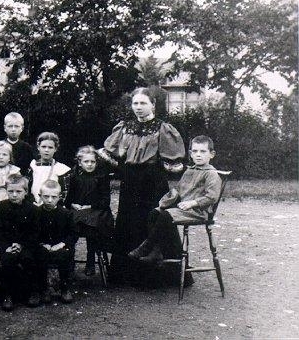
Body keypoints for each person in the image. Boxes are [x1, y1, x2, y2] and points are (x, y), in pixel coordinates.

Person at [98, 87, 185, 287]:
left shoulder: (163, 128)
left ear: (153, 105)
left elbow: (172, 161)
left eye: (143, 103)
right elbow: (113, 154)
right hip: (130, 181)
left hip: (153, 181)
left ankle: (156, 277)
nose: (138, 107)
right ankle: (126, 275)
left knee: (152, 219)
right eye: (135, 103)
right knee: (129, 221)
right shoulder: (124, 127)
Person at [128, 135, 222, 264]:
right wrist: (168, 199)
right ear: (190, 154)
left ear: (212, 154)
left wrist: (193, 203)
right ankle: (156, 251)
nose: (198, 155)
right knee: (155, 213)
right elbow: (179, 189)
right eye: (195, 151)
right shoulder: (190, 171)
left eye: (203, 151)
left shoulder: (211, 173)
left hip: (198, 211)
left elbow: (212, 196)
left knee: (165, 216)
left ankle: (146, 246)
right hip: (184, 209)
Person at [0, 174, 41, 311]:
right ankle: (8, 294)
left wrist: (21, 245)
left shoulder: (33, 209)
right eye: (11, 191)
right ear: (6, 191)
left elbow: (34, 232)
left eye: (18, 191)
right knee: (8, 260)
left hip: (25, 245)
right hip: (6, 245)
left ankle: (32, 291)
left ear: (26, 192)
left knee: (28, 259)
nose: (14, 195)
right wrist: (6, 246)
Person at [64, 146, 114, 276]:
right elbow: (68, 198)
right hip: (78, 211)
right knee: (71, 229)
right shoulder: (75, 177)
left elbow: (105, 201)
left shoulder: (101, 177)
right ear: (80, 163)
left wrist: (90, 206)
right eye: (86, 161)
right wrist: (73, 204)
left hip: (96, 211)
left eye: (93, 162)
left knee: (91, 228)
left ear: (97, 162)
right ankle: (69, 261)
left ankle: (90, 261)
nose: (90, 164)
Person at [36, 181, 77, 304]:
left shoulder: (66, 214)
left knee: (65, 255)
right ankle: (44, 289)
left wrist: (62, 244)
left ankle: (65, 288)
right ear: (40, 196)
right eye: (46, 196)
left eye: (53, 197)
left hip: (61, 246)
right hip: (43, 246)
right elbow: (32, 232)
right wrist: (41, 243)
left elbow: (73, 234)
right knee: (38, 255)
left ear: (60, 197)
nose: (49, 200)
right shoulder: (36, 213)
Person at [29, 132, 71, 203]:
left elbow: (64, 193)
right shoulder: (33, 166)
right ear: (38, 147)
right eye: (43, 147)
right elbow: (27, 187)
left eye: (50, 147)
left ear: (55, 149)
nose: (46, 150)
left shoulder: (61, 169)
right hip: (34, 204)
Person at [3, 112, 34, 177]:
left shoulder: (27, 148)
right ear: (5, 128)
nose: (13, 129)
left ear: (22, 128)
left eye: (16, 126)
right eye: (10, 126)